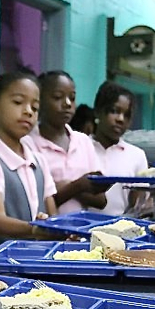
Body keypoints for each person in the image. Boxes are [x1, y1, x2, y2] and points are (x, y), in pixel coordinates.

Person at [0, 71, 61, 253]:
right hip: (1, 258)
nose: (28, 111)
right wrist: (35, 229)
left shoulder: (39, 161)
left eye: (35, 108)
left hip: (39, 256)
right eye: (18, 102)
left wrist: (58, 229)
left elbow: (53, 215)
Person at [28, 71, 108, 214]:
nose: (67, 104)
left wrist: (64, 186)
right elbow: (34, 201)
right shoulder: (28, 143)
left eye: (72, 98)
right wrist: (79, 186)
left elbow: (101, 200)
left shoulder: (83, 141)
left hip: (79, 230)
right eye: (58, 97)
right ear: (39, 101)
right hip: (44, 233)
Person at [89, 81, 148, 216]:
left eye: (127, 115)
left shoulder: (136, 156)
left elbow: (138, 204)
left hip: (119, 230)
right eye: (114, 111)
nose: (120, 119)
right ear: (98, 111)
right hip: (77, 230)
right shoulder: (79, 146)